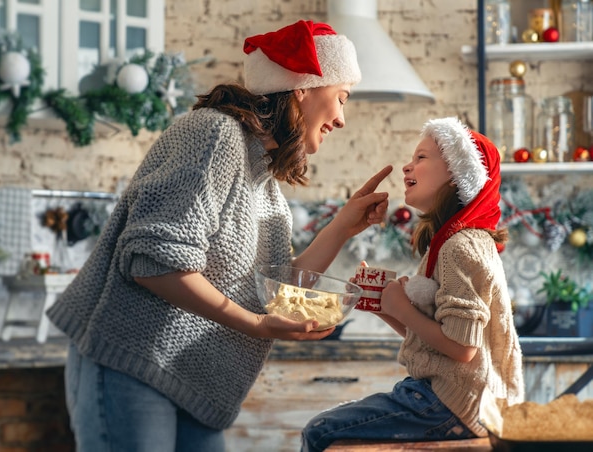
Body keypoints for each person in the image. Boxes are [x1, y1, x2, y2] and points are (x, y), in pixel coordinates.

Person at [46, 19, 393, 452]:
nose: (341, 119)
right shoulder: (214, 135)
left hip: (191, 383)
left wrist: (344, 225)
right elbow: (156, 265)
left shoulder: (264, 180)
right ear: (303, 87)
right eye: (341, 98)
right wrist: (257, 326)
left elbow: (275, 288)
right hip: (132, 360)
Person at [301, 117, 525, 451]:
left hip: (455, 403)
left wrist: (402, 307)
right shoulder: (455, 242)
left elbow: (463, 348)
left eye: (421, 157)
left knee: (320, 431)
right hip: (460, 398)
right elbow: (437, 342)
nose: (407, 166)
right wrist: (383, 307)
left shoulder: (460, 247)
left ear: (457, 171)